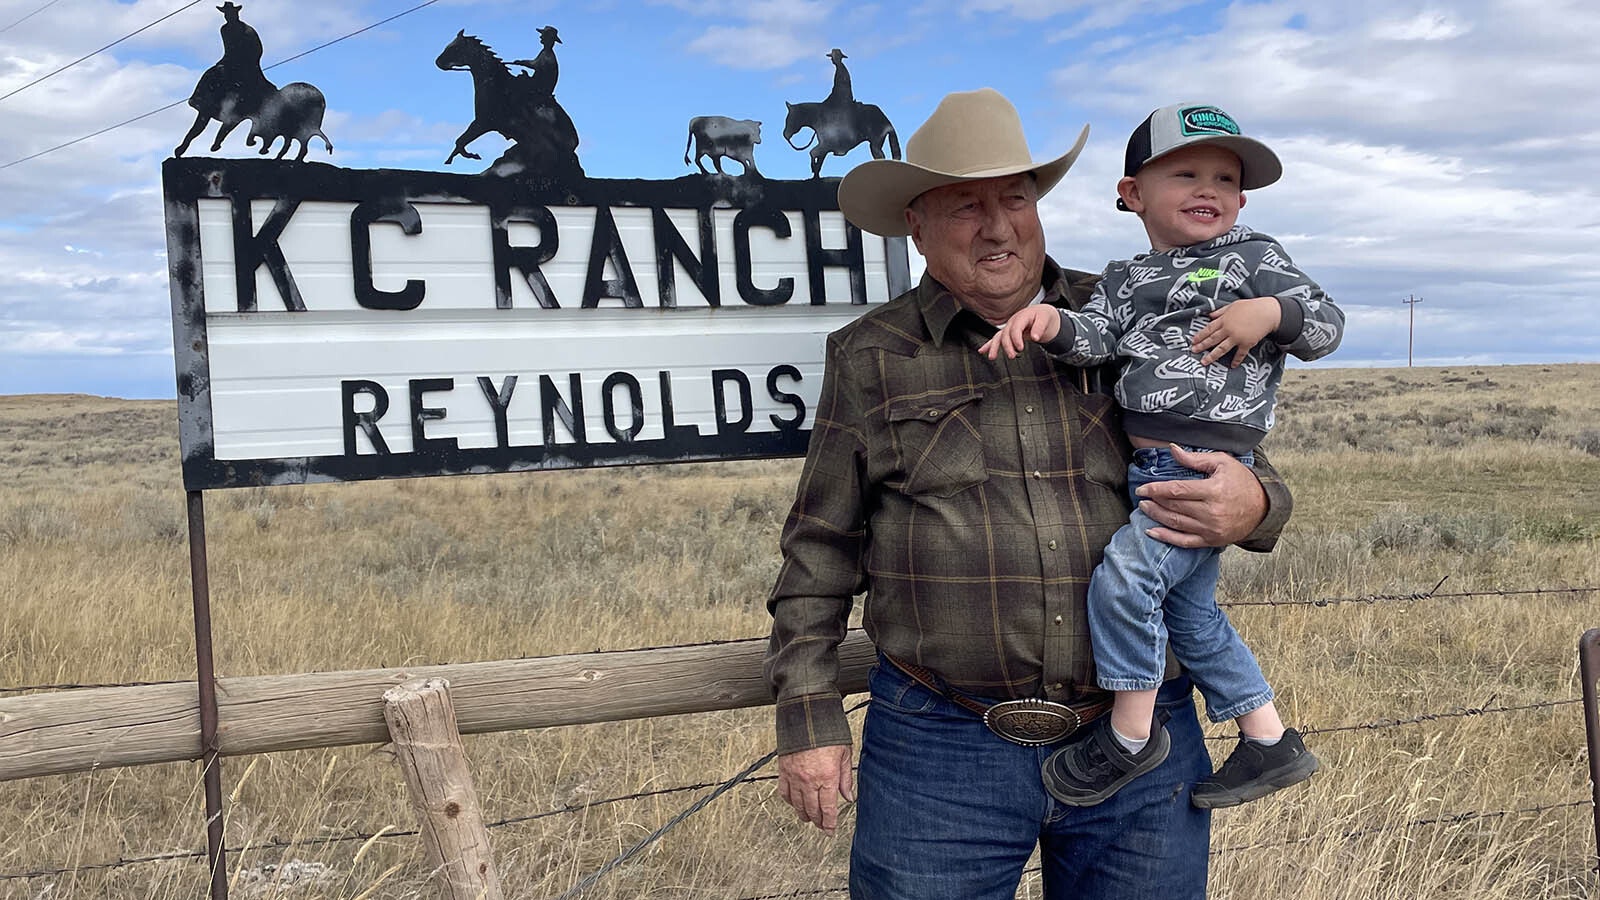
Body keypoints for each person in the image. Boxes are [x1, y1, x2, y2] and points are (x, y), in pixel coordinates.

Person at [764, 88, 1294, 899]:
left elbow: (1236, 445)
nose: (999, 224)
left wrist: (1254, 504)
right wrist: (808, 717)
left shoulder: (1132, 312)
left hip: (1143, 742)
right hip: (941, 747)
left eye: (1015, 197)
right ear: (917, 221)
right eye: (966, 204)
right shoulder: (870, 356)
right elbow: (820, 548)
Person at [979, 102, 1343, 810]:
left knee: (1124, 583)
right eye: (1184, 173)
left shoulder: (1254, 258)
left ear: (1241, 199)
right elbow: (1098, 339)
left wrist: (1267, 313)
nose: (1208, 189)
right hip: (1149, 469)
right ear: (1132, 194)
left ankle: (1131, 734)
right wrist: (1051, 321)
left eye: (1224, 178)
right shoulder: (1124, 278)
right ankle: (1268, 740)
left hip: (1203, 463)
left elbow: (1324, 323)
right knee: (1192, 619)